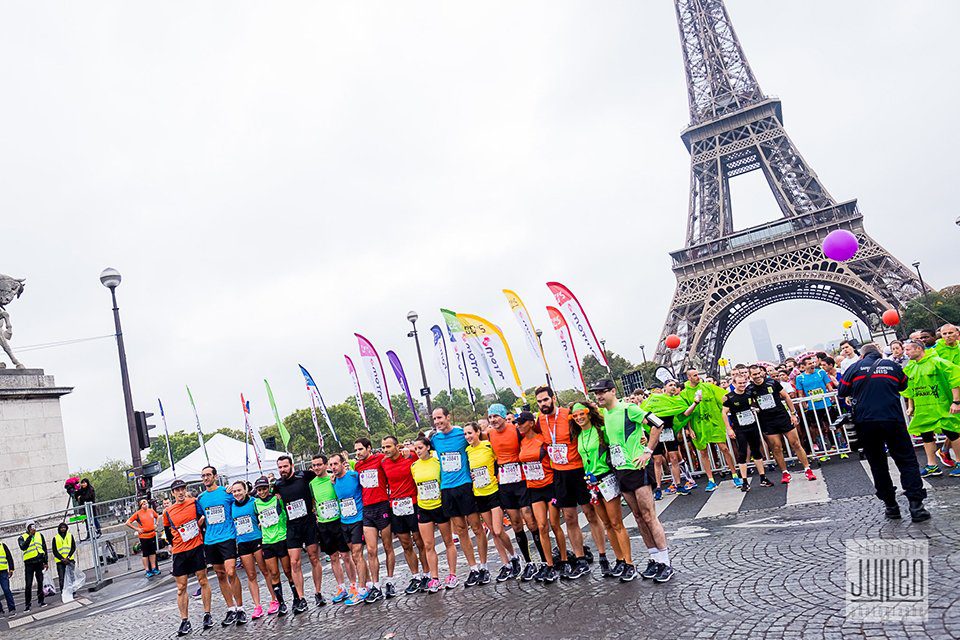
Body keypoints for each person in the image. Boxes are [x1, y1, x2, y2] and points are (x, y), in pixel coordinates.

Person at [592, 379, 674, 582]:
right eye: (596, 393)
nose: (599, 396)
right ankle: (654, 557)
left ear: (613, 391)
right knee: (637, 516)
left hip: (637, 467)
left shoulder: (629, 408)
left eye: (602, 392)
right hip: (621, 471)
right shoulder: (605, 415)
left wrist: (647, 451)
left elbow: (658, 423)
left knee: (649, 515)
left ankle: (665, 562)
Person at [839, 343, 930, 521]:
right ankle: (916, 506)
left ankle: (891, 506)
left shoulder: (854, 367)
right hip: (892, 418)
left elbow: (842, 391)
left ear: (862, 355)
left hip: (866, 422)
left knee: (877, 464)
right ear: (880, 353)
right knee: (907, 461)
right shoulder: (893, 366)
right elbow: (903, 386)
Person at [535, 386, 597, 580]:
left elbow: (590, 427)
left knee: (590, 514)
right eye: (539, 401)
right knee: (570, 518)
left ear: (553, 398)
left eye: (546, 400)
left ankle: (603, 555)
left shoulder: (568, 414)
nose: (543, 404)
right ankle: (579, 559)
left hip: (579, 470)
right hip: (560, 474)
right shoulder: (540, 420)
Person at [571, 401, 633, 580]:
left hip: (606, 478)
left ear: (588, 413)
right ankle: (620, 560)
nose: (579, 418)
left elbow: (619, 440)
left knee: (616, 523)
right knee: (606, 524)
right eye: (575, 416)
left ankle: (629, 563)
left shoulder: (602, 430)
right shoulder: (579, 435)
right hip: (591, 483)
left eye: (581, 414)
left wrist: (641, 439)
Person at [430, 407, 488, 588]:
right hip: (447, 488)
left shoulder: (460, 434)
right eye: (434, 419)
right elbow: (420, 449)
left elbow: (479, 440)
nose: (437, 421)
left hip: (464, 486)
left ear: (448, 417)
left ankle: (484, 566)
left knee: (477, 527)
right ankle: (473, 568)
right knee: (461, 530)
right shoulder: (435, 439)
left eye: (440, 417)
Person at [486, 403, 543, 580]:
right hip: (505, 482)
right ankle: (528, 562)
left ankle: (544, 560)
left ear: (504, 416)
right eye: (490, 417)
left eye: (496, 416)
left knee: (530, 521)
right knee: (516, 524)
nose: (493, 420)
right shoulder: (489, 434)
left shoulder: (516, 430)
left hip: (521, 479)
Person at [463, 422, 516, 583]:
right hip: (479, 494)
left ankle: (514, 556)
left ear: (478, 432)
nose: (468, 437)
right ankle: (506, 564)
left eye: (470, 433)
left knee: (499, 530)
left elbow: (500, 460)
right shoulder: (467, 451)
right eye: (465, 434)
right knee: (493, 531)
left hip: (493, 491)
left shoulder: (488, 446)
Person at [747, 364, 816, 483]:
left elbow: (786, 397)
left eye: (759, 373)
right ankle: (785, 472)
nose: (758, 376)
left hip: (782, 416)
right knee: (777, 447)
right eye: (754, 375)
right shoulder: (750, 389)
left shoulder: (772, 383)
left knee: (795, 443)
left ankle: (807, 469)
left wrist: (793, 414)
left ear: (762, 372)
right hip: (767, 421)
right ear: (750, 376)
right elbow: (749, 403)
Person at [902, 340, 960, 478]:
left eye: (908, 349)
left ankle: (959, 462)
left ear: (918, 349)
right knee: (926, 435)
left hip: (941, 406)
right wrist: (911, 406)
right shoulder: (911, 367)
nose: (906, 353)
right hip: (923, 408)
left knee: (952, 433)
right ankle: (932, 465)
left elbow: (955, 378)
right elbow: (910, 388)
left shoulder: (937, 362)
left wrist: (956, 402)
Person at [274, 455, 324, 612]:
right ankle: (301, 598)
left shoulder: (304, 476)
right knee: (294, 562)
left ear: (292, 465)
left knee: (314, 557)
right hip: (292, 526)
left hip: (308, 522)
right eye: (280, 467)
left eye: (285, 466)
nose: (282, 470)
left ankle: (318, 592)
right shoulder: (277, 484)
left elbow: (322, 475)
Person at [380, 437, 430, 594]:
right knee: (406, 544)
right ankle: (415, 577)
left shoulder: (410, 456)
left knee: (420, 542)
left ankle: (427, 575)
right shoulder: (383, 463)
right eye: (383, 447)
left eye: (388, 446)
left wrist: (412, 450)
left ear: (397, 446)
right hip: (396, 506)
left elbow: (426, 451)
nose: (385, 450)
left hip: (413, 503)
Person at [163, 479, 212, 636]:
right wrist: (176, 543)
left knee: (203, 580)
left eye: (183, 489)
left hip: (196, 547)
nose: (180, 492)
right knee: (180, 588)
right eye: (177, 490)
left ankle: (207, 614)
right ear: (173, 493)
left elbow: (202, 519)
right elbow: (168, 532)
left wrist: (200, 525)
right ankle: (185, 620)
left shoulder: (194, 502)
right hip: (179, 551)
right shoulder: (168, 512)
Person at [516, 411, 560, 584]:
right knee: (541, 526)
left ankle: (563, 560)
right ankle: (549, 565)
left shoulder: (543, 439)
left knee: (555, 525)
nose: (518, 425)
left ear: (530, 423)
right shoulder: (520, 442)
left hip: (549, 485)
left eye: (521, 422)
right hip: (533, 488)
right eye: (517, 423)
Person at [197, 466, 243, 625]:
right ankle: (231, 609)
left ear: (215, 476)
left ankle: (240, 608)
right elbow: (199, 516)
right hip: (210, 540)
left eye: (208, 475)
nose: (205, 478)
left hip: (228, 537)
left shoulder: (226, 493)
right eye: (203, 476)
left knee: (231, 572)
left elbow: (241, 498)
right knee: (220, 575)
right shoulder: (201, 498)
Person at [309, 454, 358, 604]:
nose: (316, 468)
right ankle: (341, 587)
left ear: (326, 465)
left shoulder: (333, 478)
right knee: (333, 557)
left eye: (319, 465)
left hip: (338, 521)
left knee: (346, 556)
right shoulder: (311, 484)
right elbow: (313, 501)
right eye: (314, 466)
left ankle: (353, 586)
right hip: (324, 524)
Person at [411, 435, 457, 593]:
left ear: (428, 447)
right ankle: (435, 578)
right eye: (415, 448)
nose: (417, 451)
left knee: (448, 541)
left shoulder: (438, 463)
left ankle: (452, 575)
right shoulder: (414, 466)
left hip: (439, 506)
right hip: (423, 507)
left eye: (420, 448)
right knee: (428, 545)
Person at [679, 369, 737, 491]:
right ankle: (710, 480)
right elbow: (686, 412)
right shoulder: (684, 394)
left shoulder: (708, 387)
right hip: (698, 425)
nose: (698, 377)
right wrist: (689, 428)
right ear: (689, 378)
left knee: (724, 448)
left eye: (698, 374)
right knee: (703, 452)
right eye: (695, 375)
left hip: (713, 422)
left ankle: (734, 474)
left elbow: (724, 398)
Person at [640, 381, 699, 496]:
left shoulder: (677, 400)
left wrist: (695, 403)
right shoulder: (655, 399)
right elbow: (645, 413)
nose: (673, 387)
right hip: (656, 431)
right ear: (664, 388)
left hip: (669, 431)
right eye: (670, 385)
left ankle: (678, 484)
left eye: (675, 386)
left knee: (674, 458)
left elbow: (685, 413)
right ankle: (657, 488)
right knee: (657, 460)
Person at [353, 437, 394, 602]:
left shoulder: (380, 459)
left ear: (369, 448)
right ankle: (376, 586)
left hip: (382, 506)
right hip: (367, 509)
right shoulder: (357, 465)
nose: (358, 453)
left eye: (360, 449)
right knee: (371, 550)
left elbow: (396, 455)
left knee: (387, 546)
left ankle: (390, 581)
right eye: (356, 450)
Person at [330, 453, 371, 605]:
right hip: (344, 521)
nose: (333, 467)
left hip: (358, 519)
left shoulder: (354, 476)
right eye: (331, 465)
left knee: (357, 553)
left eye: (336, 464)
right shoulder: (333, 481)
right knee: (354, 556)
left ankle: (361, 590)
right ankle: (368, 584)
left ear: (343, 463)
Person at [722, 373, 772, 492]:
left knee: (756, 451)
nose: (742, 385)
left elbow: (755, 403)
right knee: (742, 453)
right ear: (734, 384)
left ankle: (763, 477)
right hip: (740, 428)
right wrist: (729, 429)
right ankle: (744, 481)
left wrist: (757, 408)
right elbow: (723, 413)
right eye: (739, 383)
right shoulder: (729, 397)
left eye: (744, 382)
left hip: (752, 426)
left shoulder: (749, 393)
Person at [253, 476, 294, 616]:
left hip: (281, 538)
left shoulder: (277, 499)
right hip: (267, 542)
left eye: (264, 488)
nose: (262, 492)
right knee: (274, 573)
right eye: (259, 489)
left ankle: (296, 598)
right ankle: (281, 603)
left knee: (288, 571)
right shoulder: (255, 503)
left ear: (268, 488)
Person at [229, 481, 268, 620]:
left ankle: (275, 600)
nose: (237, 493)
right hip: (243, 543)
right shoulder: (231, 505)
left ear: (246, 490)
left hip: (256, 539)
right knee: (251, 575)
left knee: (265, 571)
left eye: (239, 490)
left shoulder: (254, 502)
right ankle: (257, 606)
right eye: (234, 491)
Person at [793, 355, 837, 459]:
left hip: (826, 404)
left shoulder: (821, 372)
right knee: (816, 427)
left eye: (813, 363)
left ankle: (836, 445)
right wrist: (803, 403)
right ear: (804, 366)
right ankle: (821, 448)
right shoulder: (800, 378)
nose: (812, 365)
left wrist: (832, 396)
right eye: (809, 364)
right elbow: (800, 393)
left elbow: (829, 386)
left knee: (831, 424)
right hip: (813, 407)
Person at [126, 498, 161, 577]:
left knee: (152, 552)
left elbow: (157, 516)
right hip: (144, 536)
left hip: (152, 534)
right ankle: (147, 570)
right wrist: (137, 529)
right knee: (145, 554)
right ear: (141, 505)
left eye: (146, 503)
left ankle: (154, 568)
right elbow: (128, 522)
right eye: (143, 504)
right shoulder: (138, 513)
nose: (145, 505)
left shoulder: (151, 511)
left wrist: (157, 524)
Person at [17, 521, 47, 612]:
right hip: (29, 563)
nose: (32, 528)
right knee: (28, 584)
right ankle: (27, 604)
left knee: (40, 582)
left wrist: (45, 562)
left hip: (39, 561)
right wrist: (30, 536)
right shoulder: (22, 537)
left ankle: (41, 601)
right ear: (27, 528)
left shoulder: (39, 535)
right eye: (30, 527)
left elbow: (44, 548)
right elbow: (23, 547)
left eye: (33, 526)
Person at [52, 522, 77, 592]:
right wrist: (62, 559)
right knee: (61, 578)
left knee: (71, 576)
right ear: (59, 529)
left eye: (64, 527)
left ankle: (73, 591)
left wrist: (68, 557)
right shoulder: (55, 538)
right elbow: (55, 551)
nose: (63, 529)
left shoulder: (70, 536)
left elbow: (73, 547)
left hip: (69, 560)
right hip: (60, 561)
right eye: (61, 528)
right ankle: (63, 592)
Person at [0, 538, 15, 618]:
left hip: (3, 572)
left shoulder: (3, 546)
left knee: (6, 590)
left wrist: (11, 569)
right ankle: (0, 611)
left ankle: (12, 609)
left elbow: (9, 557)